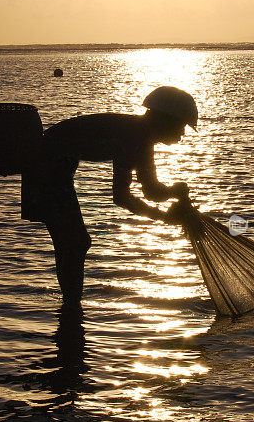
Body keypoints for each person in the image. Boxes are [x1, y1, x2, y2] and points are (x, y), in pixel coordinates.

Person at [21, 86, 198, 311]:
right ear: (165, 119)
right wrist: (163, 217)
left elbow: (151, 191)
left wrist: (175, 192)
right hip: (46, 166)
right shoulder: (134, 137)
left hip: (58, 166)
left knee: (74, 242)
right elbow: (121, 197)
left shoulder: (141, 137)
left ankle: (71, 310)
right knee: (74, 243)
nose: (182, 135)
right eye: (182, 126)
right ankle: (72, 308)